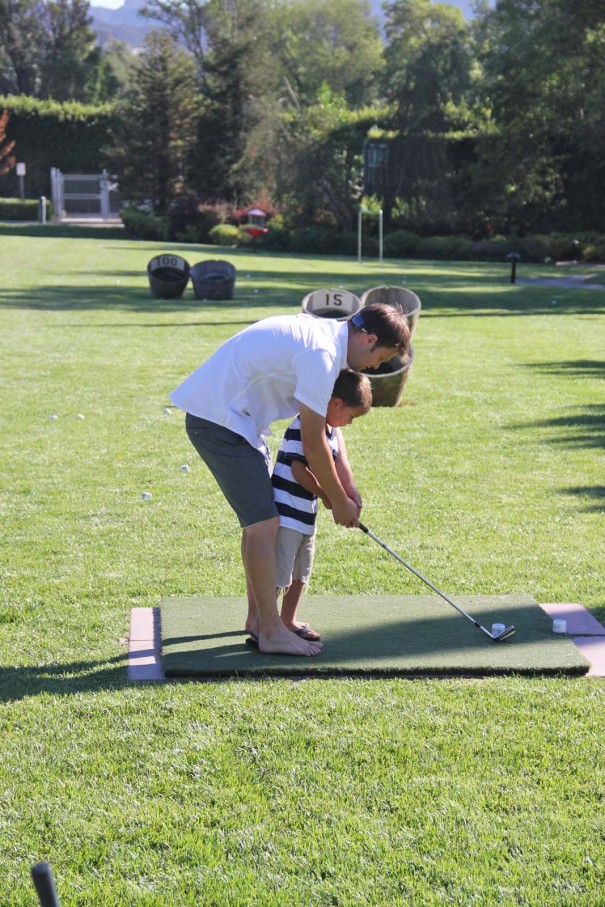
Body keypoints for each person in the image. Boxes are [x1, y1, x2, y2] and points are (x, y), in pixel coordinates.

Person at [170, 303, 411, 657]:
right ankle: (270, 631)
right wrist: (337, 501)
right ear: (369, 338)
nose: (376, 367)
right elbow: (313, 444)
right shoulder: (322, 354)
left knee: (261, 524)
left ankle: (258, 621)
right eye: (381, 357)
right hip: (218, 419)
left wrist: (348, 487)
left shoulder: (330, 344)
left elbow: (329, 432)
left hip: (238, 422)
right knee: (264, 524)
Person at [270, 369, 372, 644]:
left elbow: (336, 468)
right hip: (287, 512)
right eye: (351, 416)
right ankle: (265, 622)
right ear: (336, 403)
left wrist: (349, 496)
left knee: (302, 571)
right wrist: (329, 497)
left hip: (306, 515)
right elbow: (298, 470)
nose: (349, 423)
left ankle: (287, 620)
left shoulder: (331, 431)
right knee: (281, 574)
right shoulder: (303, 424)